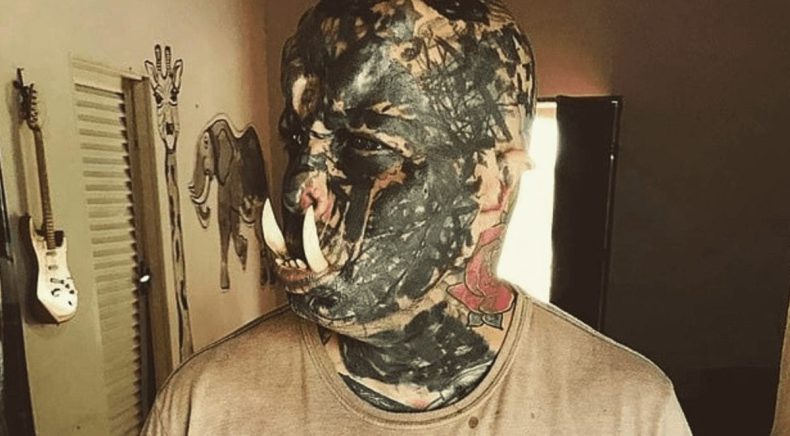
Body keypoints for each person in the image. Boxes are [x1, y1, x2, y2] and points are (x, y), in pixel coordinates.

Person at [142, 0, 691, 434]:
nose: (296, 189)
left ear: (493, 184)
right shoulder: (204, 405)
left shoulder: (630, 413)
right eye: (296, 139)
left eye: (366, 146)